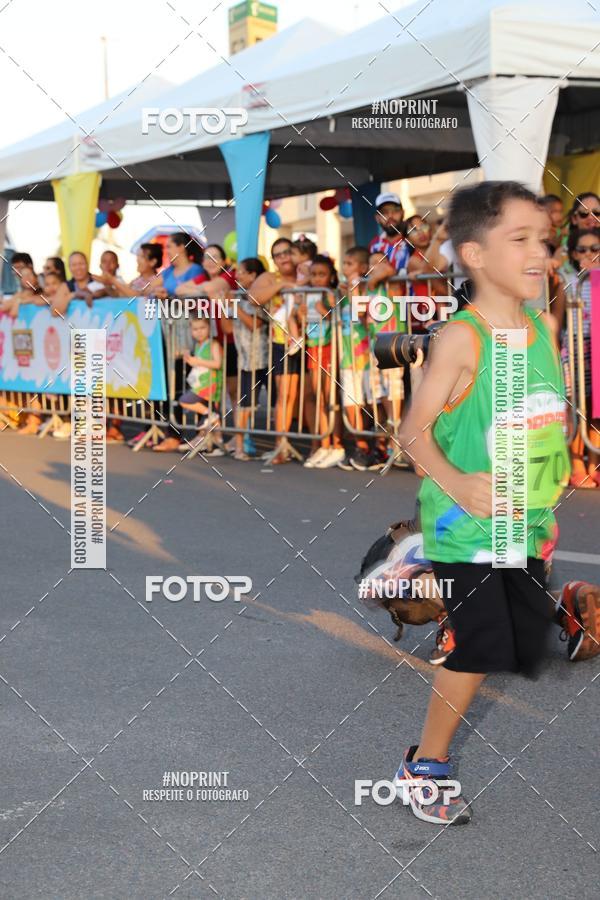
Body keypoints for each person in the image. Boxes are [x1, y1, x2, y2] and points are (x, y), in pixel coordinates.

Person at [396, 181, 570, 825]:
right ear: (473, 253)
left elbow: (541, 412)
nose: (539, 252)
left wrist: (562, 452)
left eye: (544, 240)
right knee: (485, 645)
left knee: (520, 640)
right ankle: (424, 766)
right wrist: (455, 479)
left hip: (529, 520)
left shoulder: (544, 325)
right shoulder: (463, 340)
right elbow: (412, 430)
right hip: (468, 522)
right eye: (519, 239)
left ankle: (430, 590)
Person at [250, 238, 300, 464]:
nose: (284, 258)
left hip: (312, 340)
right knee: (284, 395)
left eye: (287, 252)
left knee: (307, 396)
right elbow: (253, 298)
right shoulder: (270, 278)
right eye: (278, 255)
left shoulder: (306, 272)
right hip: (281, 343)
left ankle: (317, 445)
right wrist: (280, 286)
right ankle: (281, 444)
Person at [559, 227, 600, 487]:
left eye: (595, 249)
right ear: (573, 253)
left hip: (597, 347)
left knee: (597, 407)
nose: (588, 254)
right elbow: (557, 317)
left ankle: (595, 462)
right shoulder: (567, 279)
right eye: (582, 249)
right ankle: (576, 463)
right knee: (577, 405)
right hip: (574, 347)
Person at [300, 254, 345, 468]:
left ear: (331, 276)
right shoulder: (307, 294)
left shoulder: (331, 294)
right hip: (313, 348)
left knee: (330, 398)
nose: (317, 279)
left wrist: (324, 311)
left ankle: (337, 445)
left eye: (322, 274)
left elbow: (339, 319)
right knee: (318, 397)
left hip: (328, 348)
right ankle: (324, 444)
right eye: (314, 274)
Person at [336, 246, 378, 471]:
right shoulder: (344, 290)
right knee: (351, 400)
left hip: (365, 354)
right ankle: (360, 444)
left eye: (350, 264)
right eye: (344, 263)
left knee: (372, 400)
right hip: (347, 356)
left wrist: (352, 290)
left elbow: (359, 313)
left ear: (363, 268)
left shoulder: (364, 289)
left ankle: (378, 444)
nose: (345, 268)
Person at [223, 257, 269, 460]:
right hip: (246, 360)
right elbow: (227, 329)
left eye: (241, 272)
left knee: (280, 401)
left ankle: (282, 443)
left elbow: (255, 324)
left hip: (264, 356)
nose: (237, 275)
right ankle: (239, 446)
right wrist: (223, 307)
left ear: (252, 275)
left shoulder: (258, 298)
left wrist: (234, 308)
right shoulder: (237, 297)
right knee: (245, 404)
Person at [178, 317, 224, 456]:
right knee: (208, 414)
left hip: (211, 383)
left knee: (184, 400)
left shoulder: (213, 344)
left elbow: (217, 364)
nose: (199, 332)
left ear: (209, 328)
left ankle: (212, 424)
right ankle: (212, 442)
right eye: (195, 329)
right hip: (201, 383)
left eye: (202, 328)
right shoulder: (198, 345)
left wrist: (197, 361)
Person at [368, 192, 410, 292]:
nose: (390, 216)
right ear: (377, 218)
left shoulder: (411, 241)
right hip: (383, 304)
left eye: (395, 211)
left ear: (402, 213)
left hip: (410, 303)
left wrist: (391, 272)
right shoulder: (374, 245)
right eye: (384, 212)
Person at [146, 232, 204, 298]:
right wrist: (155, 290)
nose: (166, 251)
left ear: (181, 248)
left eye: (169, 247)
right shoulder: (169, 270)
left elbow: (192, 299)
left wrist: (168, 297)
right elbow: (148, 289)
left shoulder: (195, 270)